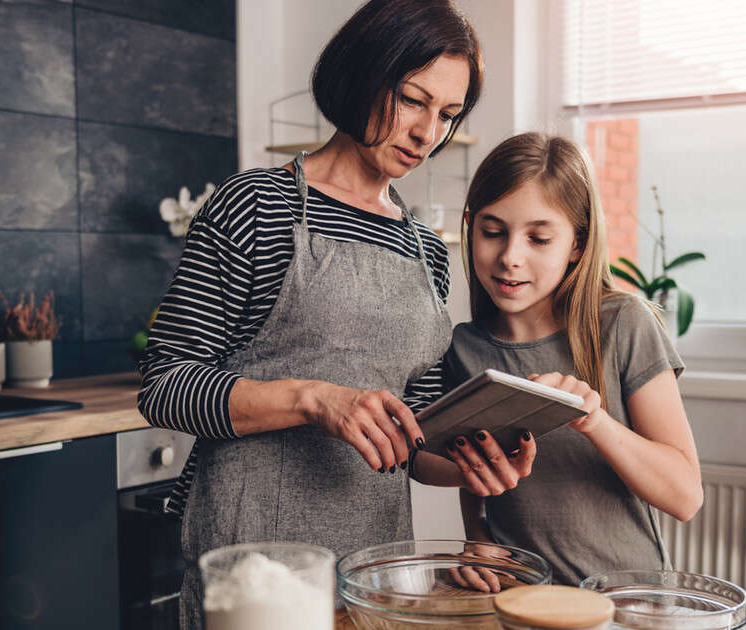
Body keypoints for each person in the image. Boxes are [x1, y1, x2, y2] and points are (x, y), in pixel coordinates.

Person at [135, 2, 535, 627]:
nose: (427, 132)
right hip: (256, 566)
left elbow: (415, 441)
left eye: (447, 114)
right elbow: (164, 386)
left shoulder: (425, 249)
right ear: (363, 75)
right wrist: (315, 400)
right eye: (412, 99)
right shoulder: (255, 205)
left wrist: (471, 463)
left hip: (374, 573)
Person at [447, 132, 704, 587]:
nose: (510, 257)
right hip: (520, 602)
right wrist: (479, 535)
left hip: (627, 604)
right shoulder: (464, 348)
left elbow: (685, 496)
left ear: (577, 246)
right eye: (492, 232)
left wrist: (593, 420)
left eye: (539, 239)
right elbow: (475, 469)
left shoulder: (623, 324)